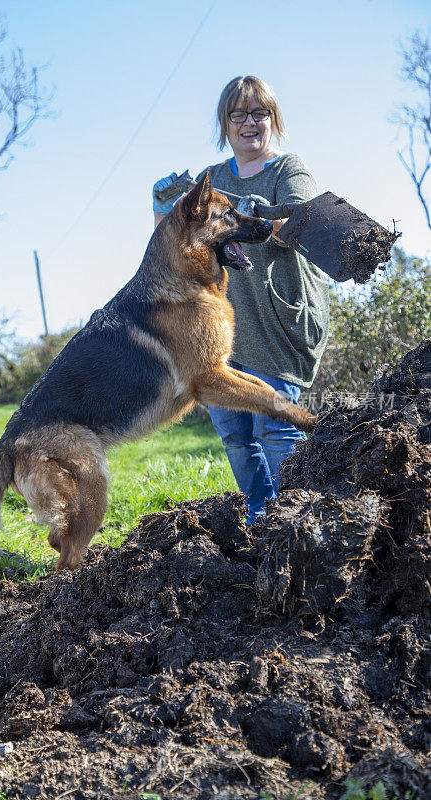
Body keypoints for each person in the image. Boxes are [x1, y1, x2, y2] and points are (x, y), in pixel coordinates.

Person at [152, 75, 330, 524]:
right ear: (225, 123)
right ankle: (258, 515)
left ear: (274, 118)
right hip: (221, 330)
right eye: (238, 114)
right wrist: (162, 203)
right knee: (234, 431)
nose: (249, 123)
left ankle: (296, 519)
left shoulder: (288, 169)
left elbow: (301, 221)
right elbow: (174, 241)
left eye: (259, 113)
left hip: (276, 316)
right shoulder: (214, 180)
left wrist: (261, 210)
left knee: (277, 429)